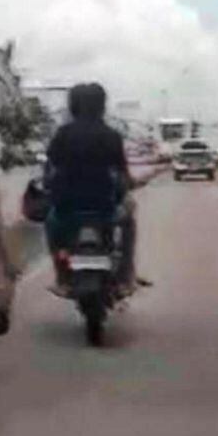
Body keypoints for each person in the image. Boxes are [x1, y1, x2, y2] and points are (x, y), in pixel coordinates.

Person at [44, 83, 138, 294]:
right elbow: (122, 171)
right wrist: (129, 184)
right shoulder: (111, 135)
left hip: (67, 209)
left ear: (72, 105)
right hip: (105, 207)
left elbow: (50, 168)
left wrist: (50, 186)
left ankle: (61, 276)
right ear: (102, 106)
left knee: (51, 225)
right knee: (128, 222)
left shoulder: (62, 134)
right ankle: (125, 276)